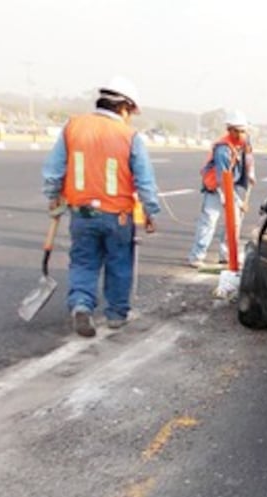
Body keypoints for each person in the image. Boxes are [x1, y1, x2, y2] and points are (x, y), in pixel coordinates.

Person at [41, 75, 160, 337]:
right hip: (117, 215)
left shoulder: (73, 126)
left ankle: (81, 304)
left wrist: (53, 195)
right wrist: (150, 211)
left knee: (84, 261)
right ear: (124, 107)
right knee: (119, 263)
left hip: (82, 212)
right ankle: (116, 315)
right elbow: (145, 181)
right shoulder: (129, 136)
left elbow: (54, 169)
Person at [187, 110, 253, 268]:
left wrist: (251, 174)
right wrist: (239, 203)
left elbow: (249, 158)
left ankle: (227, 255)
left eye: (244, 131)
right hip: (216, 187)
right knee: (209, 221)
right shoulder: (223, 149)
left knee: (234, 223)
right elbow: (223, 180)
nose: (242, 134)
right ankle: (197, 256)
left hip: (232, 184)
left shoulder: (245, 142)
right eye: (238, 131)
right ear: (230, 130)